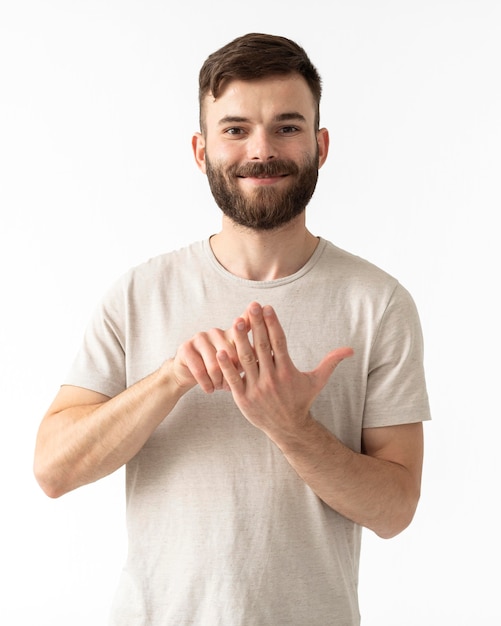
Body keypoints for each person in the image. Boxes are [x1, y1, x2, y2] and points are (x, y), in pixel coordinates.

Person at [34, 32, 431, 625]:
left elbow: (395, 510)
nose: (261, 149)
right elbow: (53, 469)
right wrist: (170, 378)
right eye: (236, 128)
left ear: (320, 145)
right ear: (201, 150)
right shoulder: (138, 294)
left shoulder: (379, 303)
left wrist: (290, 427)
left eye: (287, 126)